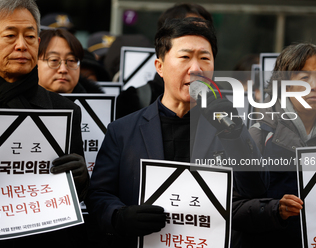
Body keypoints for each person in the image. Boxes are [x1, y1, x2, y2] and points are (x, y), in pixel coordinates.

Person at [85, 17, 268, 248]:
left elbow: (257, 188)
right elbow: (99, 194)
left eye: (204, 58)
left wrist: (233, 132)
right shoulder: (122, 131)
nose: (196, 69)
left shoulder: (229, 127)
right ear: (159, 67)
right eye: (184, 57)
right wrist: (119, 216)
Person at [0, 0, 88, 247]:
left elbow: (76, 200)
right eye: (10, 36)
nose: (21, 45)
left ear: (38, 43)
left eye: (29, 36)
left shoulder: (64, 110)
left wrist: (80, 179)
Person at [232, 43, 316, 248]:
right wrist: (275, 210)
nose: (314, 85)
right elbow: (232, 208)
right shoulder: (258, 135)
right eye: (304, 77)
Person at [115, 3, 214, 119]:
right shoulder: (134, 99)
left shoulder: (222, 105)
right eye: (184, 29)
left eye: (203, 31)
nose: (196, 69)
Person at [38, 28, 103, 93]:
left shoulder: (96, 101)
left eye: (71, 60)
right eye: (54, 60)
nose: (63, 70)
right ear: (35, 63)